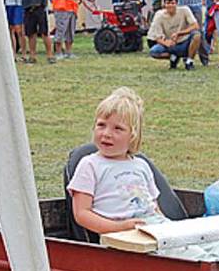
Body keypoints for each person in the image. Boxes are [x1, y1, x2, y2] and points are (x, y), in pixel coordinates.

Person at [68, 87, 165, 235]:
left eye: (117, 129)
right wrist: (120, 227)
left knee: (203, 245)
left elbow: (154, 207)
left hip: (154, 228)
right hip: (122, 236)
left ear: (132, 135)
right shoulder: (89, 165)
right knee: (190, 256)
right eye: (101, 125)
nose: (106, 134)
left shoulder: (141, 165)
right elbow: (82, 214)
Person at [147, 0, 201, 71]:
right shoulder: (159, 15)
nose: (170, 6)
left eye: (173, 3)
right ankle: (173, 57)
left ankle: (189, 61)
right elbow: (155, 36)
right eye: (168, 3)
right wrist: (166, 43)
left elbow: (195, 26)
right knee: (154, 52)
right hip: (170, 43)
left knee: (197, 35)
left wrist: (179, 33)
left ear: (177, 4)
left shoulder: (184, 10)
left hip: (184, 41)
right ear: (164, 5)